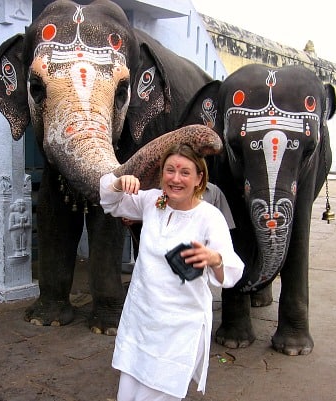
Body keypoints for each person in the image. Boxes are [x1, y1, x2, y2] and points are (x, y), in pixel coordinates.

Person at [99, 143, 245, 400]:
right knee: (127, 394)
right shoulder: (152, 202)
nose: (176, 179)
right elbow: (110, 202)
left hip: (179, 329)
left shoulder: (209, 217)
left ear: (199, 178)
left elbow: (231, 274)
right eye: (170, 170)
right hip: (141, 321)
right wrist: (119, 183)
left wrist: (215, 259)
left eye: (185, 172)